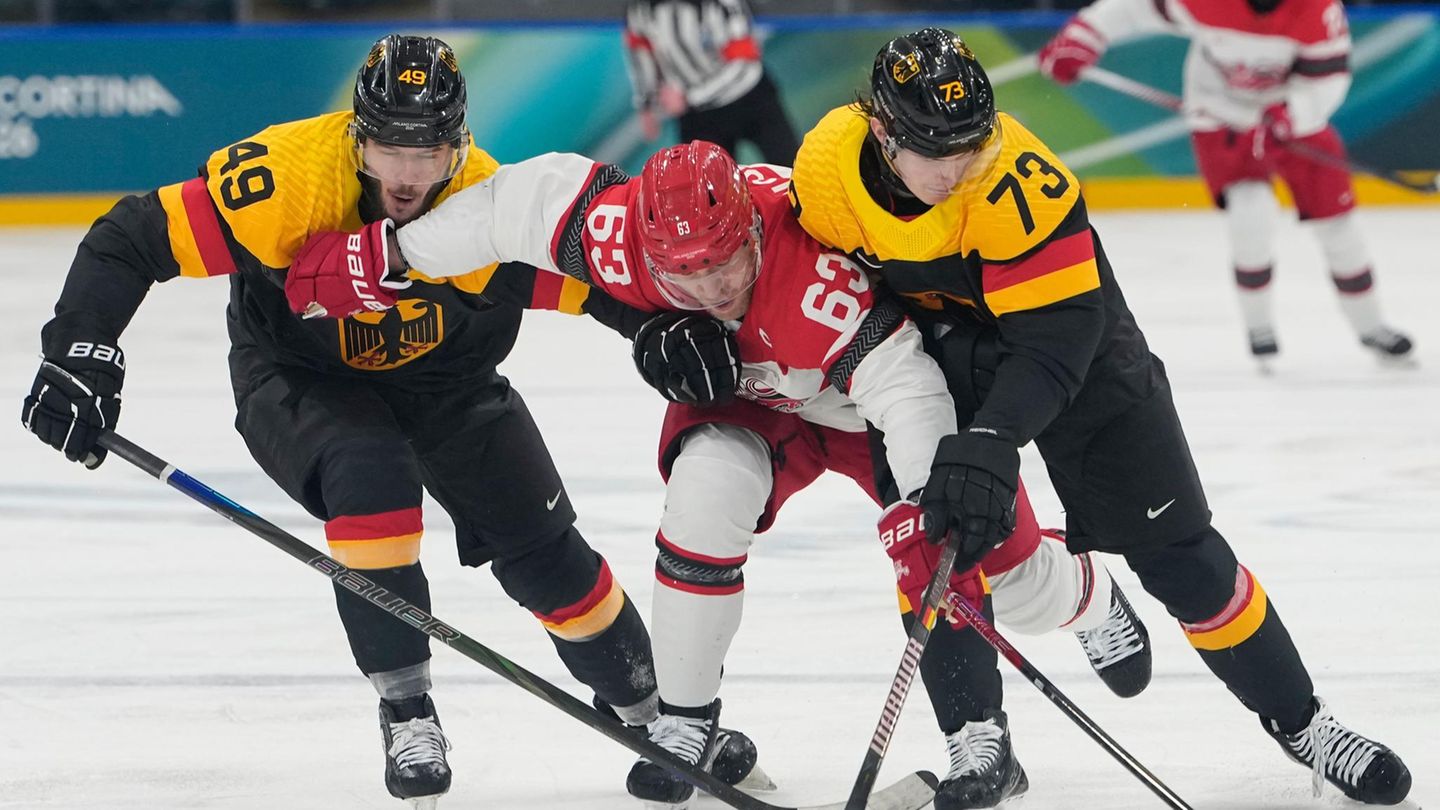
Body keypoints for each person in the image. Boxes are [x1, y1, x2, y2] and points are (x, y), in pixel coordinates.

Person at [296, 139, 1157, 810]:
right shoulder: (614, 231)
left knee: (988, 573)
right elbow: (503, 208)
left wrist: (927, 497)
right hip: (753, 396)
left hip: (859, 402)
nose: (706, 287)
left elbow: (908, 384)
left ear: (750, 230)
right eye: (683, 273)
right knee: (703, 495)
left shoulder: (815, 277)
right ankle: (687, 720)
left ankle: (1083, 596)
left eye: (723, 264)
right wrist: (384, 256)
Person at [18, 34, 760, 809]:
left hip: (448, 382)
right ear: (355, 136)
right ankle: (407, 710)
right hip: (301, 379)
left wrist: (652, 327)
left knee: (546, 555)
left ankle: (647, 711)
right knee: (370, 477)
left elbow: (591, 283)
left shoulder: (483, 205)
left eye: (431, 150)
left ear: (460, 145)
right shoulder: (286, 182)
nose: (409, 175)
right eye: (389, 148)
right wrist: (78, 346)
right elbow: (132, 237)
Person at [788, 27, 1412, 806]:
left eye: (969, 147)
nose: (957, 171)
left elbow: (1055, 344)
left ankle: (1305, 724)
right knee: (932, 533)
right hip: (935, 354)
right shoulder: (822, 172)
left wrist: (991, 438)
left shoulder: (1020, 181)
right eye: (935, 153)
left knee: (1180, 553)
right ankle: (978, 744)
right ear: (882, 132)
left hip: (1075, 349)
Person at [1037, 0, 1413, 367]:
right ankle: (1259, 328)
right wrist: (1082, 38)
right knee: (1250, 213)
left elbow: (1328, 78)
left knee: (1338, 226)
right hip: (1223, 113)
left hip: (1294, 119)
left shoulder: (1317, 10)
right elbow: (1132, 9)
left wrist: (1288, 118)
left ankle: (1371, 326)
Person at [623, 0, 800, 165]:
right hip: (699, 117)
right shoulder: (642, 8)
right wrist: (647, 103)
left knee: (790, 170)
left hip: (750, 98)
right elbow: (640, 50)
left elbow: (743, 61)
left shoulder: (722, 4)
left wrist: (688, 98)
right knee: (705, 192)